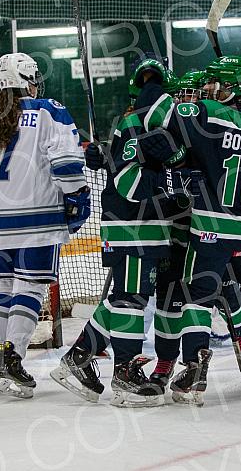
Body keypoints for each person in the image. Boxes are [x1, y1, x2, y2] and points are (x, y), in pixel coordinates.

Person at [138, 55, 241, 403]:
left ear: (228, 88)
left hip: (213, 229)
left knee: (198, 296)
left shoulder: (208, 113)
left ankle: (196, 361)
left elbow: (155, 113)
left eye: (213, 84)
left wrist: (156, 83)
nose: (207, 89)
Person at [50, 61, 185, 407]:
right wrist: (175, 184)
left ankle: (77, 358)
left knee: (125, 297)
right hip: (135, 226)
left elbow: (128, 162)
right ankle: (125, 373)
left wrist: (106, 154)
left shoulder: (135, 121)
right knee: (130, 301)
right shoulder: (147, 122)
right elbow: (132, 179)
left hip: (135, 225)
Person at [0, 53, 89, 399]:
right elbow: (66, 164)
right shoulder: (49, 110)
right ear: (30, 78)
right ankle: (12, 357)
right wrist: (77, 196)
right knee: (30, 290)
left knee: (3, 289)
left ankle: (0, 362)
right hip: (39, 218)